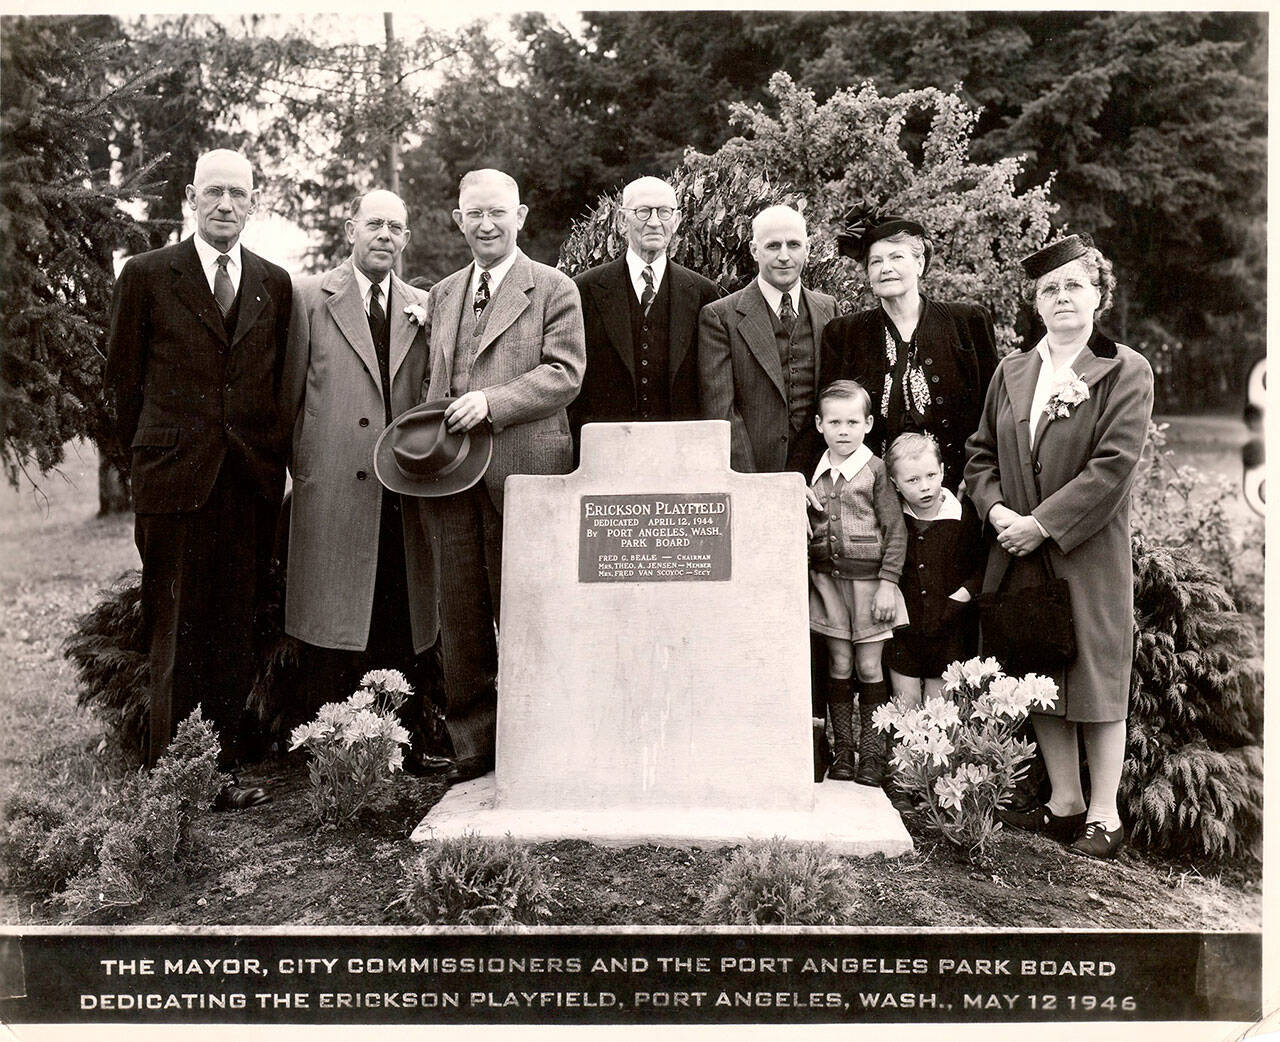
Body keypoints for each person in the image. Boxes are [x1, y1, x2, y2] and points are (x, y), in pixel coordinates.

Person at [104, 149, 291, 806]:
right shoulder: (150, 276)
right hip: (174, 484)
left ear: (253, 202)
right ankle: (172, 782)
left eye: (238, 194)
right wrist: (149, 462)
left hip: (246, 486)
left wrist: (271, 466)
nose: (225, 206)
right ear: (191, 197)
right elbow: (122, 386)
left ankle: (222, 771)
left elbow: (275, 385)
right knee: (176, 629)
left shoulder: (273, 283)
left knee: (231, 633)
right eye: (213, 192)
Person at [965, 233, 1154, 860]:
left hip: (1086, 549)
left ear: (1098, 295)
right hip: (1015, 547)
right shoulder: (1013, 370)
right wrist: (996, 512)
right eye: (1051, 289)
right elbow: (979, 454)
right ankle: (1065, 801)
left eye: (1075, 285)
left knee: (1097, 675)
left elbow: (1112, 466)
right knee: (1037, 665)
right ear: (1036, 303)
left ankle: (1105, 813)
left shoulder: (1125, 369)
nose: (1063, 297)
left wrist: (1042, 523)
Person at [415, 169, 586, 786]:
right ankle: (474, 748)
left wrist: (492, 403)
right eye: (474, 214)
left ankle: (543, 739)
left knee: (532, 609)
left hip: (526, 472)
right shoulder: (440, 294)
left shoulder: (554, 288)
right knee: (459, 613)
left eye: (499, 213)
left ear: (523, 216)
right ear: (458, 220)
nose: (487, 224)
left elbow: (565, 374)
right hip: (453, 479)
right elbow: (435, 385)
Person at [282, 190, 438, 766]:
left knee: (398, 610)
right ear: (351, 229)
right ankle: (328, 749)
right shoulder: (308, 299)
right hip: (332, 486)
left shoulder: (424, 305)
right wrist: (305, 468)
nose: (384, 236)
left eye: (396, 228)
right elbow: (290, 395)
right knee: (331, 616)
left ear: (406, 239)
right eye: (374, 224)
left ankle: (403, 745)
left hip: (400, 488)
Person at [820, 208, 997, 492]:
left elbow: (994, 412)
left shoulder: (968, 323)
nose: (885, 268)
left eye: (896, 257)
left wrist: (979, 479)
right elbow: (827, 416)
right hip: (871, 497)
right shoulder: (843, 334)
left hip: (960, 492)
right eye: (875, 261)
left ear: (920, 263)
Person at [570, 176, 721, 454]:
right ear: (621, 220)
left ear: (675, 221)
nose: (654, 221)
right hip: (605, 453)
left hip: (679, 453)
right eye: (643, 211)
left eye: (664, 212)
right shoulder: (583, 290)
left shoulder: (704, 293)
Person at [806, 380, 909, 785]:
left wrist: (888, 583)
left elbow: (895, 531)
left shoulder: (876, 471)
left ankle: (872, 752)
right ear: (819, 425)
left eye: (852, 421)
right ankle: (843, 751)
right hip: (828, 584)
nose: (843, 430)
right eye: (834, 422)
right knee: (839, 663)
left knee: (869, 667)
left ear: (868, 423)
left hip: (870, 585)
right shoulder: (814, 472)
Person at [697, 204, 837, 475]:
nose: (784, 256)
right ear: (754, 250)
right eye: (773, 246)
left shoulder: (828, 308)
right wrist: (757, 484)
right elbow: (721, 413)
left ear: (807, 249)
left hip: (819, 473)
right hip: (755, 472)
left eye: (794, 245)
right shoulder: (720, 317)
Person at [883, 432, 984, 705]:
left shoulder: (962, 515)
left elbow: (980, 568)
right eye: (912, 480)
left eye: (931, 475)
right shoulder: (895, 521)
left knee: (939, 709)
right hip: (905, 630)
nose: (924, 487)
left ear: (942, 470)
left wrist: (959, 598)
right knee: (906, 705)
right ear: (895, 483)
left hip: (949, 627)